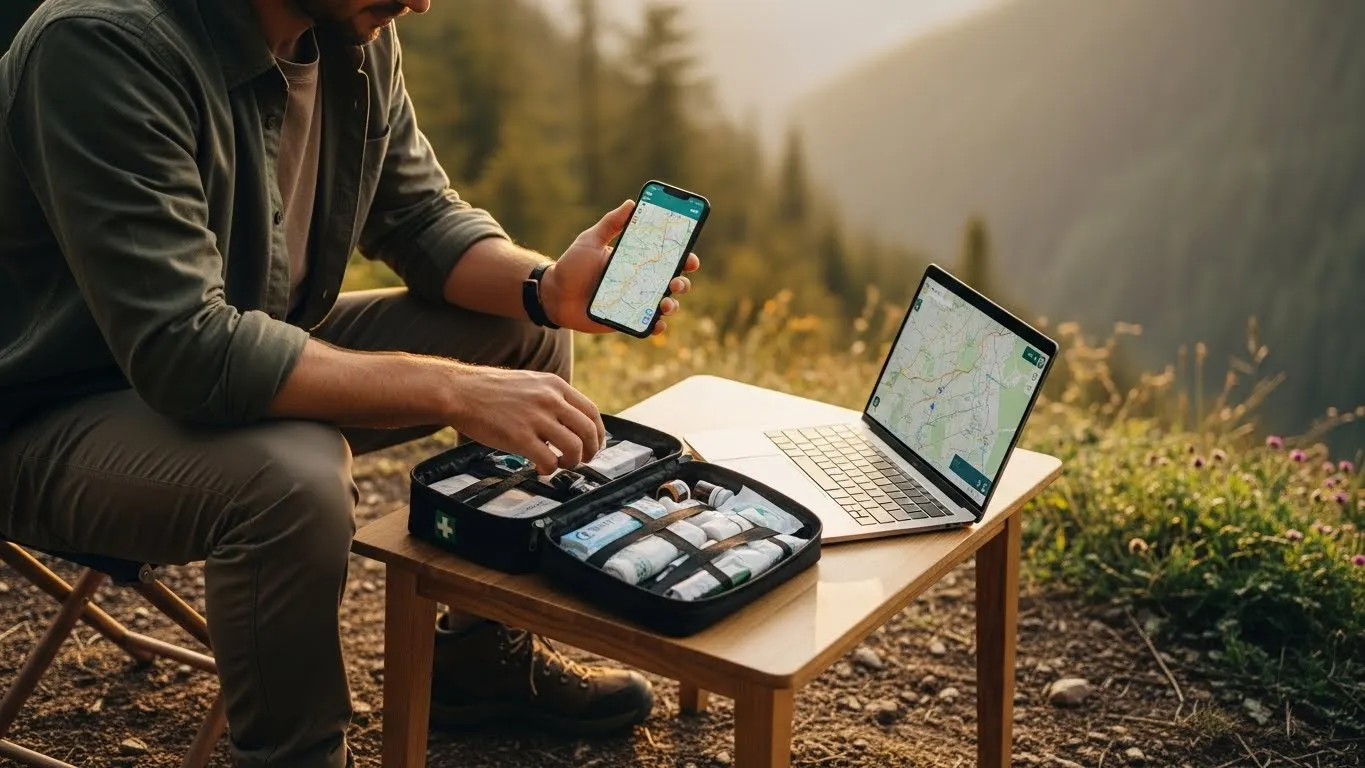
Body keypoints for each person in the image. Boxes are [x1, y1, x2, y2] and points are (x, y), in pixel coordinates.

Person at [0, 0, 701, 765]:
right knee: (290, 476)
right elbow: (185, 351)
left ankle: (474, 665)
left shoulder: (348, 27)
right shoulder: (104, 46)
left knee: (520, 337)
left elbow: (417, 217)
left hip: (231, 352)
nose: (420, 1)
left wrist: (545, 289)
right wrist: (450, 389)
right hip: (48, 409)